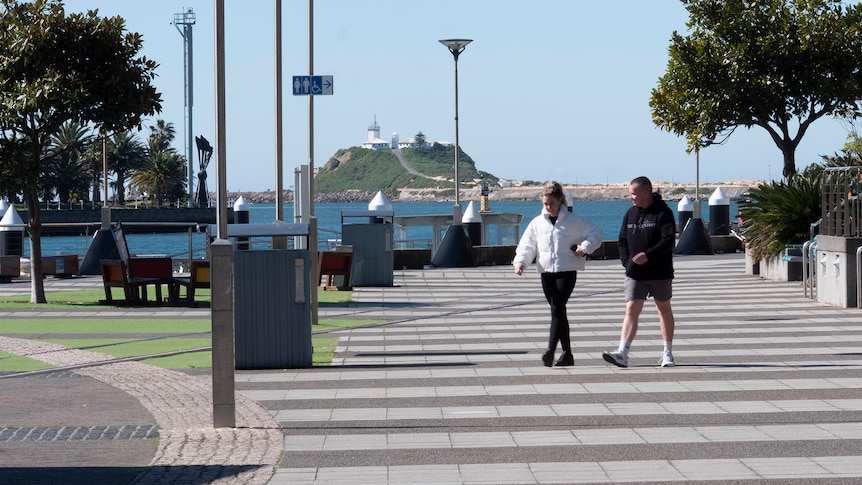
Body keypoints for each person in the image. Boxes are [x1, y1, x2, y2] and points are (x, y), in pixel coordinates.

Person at [513, 181, 604, 367]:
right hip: (546, 272)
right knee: (559, 312)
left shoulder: (574, 221)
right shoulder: (537, 223)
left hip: (567, 270)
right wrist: (521, 262)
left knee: (556, 308)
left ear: (561, 201)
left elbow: (597, 232)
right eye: (546, 204)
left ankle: (550, 351)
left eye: (552, 204)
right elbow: (527, 244)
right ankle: (567, 354)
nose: (549, 208)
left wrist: (584, 248)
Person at [603, 176, 677, 368]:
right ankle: (622, 352)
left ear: (645, 193)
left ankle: (667, 352)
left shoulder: (663, 213)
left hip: (660, 272)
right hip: (635, 273)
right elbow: (622, 241)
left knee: (664, 309)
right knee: (631, 308)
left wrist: (648, 255)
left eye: (633, 193)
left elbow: (668, 240)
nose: (631, 197)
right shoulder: (630, 214)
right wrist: (627, 263)